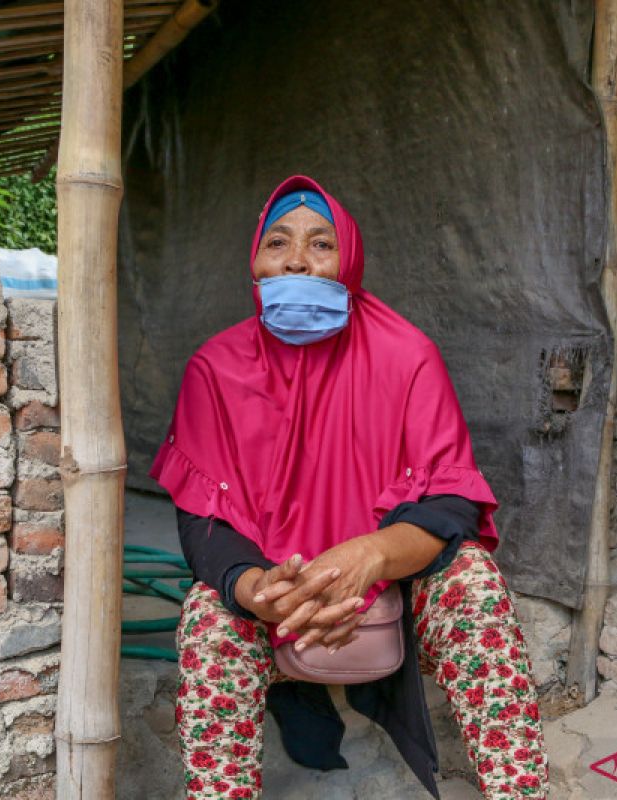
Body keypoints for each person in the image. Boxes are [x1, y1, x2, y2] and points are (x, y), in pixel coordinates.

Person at [150, 175, 549, 799]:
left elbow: (451, 502)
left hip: (393, 578)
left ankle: (520, 792)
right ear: (255, 259)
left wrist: (370, 556)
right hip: (277, 589)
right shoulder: (215, 367)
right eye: (278, 242)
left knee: (474, 584)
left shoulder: (406, 355)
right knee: (208, 619)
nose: (298, 260)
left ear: (350, 260)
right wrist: (259, 590)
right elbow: (202, 518)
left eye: (321, 244)